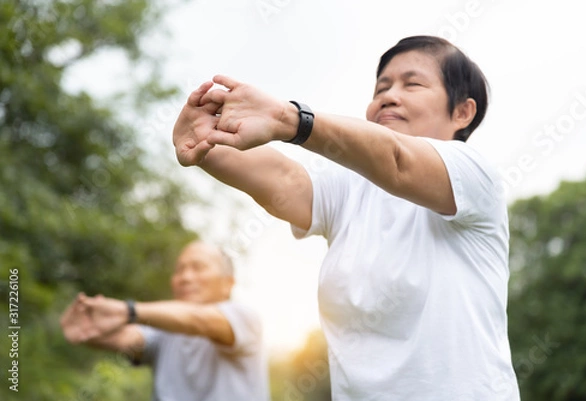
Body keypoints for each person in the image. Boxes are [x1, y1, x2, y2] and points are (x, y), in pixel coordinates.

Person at [172, 35, 520, 400]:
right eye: (381, 87)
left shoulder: (474, 177)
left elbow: (398, 161)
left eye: (412, 84)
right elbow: (285, 182)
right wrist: (205, 143)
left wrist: (288, 119)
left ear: (462, 112)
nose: (388, 95)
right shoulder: (351, 189)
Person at [60, 241, 270, 401]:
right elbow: (124, 338)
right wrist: (86, 328)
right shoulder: (165, 331)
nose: (185, 277)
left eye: (198, 267)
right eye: (179, 270)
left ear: (228, 283)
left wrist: (129, 310)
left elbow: (200, 321)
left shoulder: (244, 317)